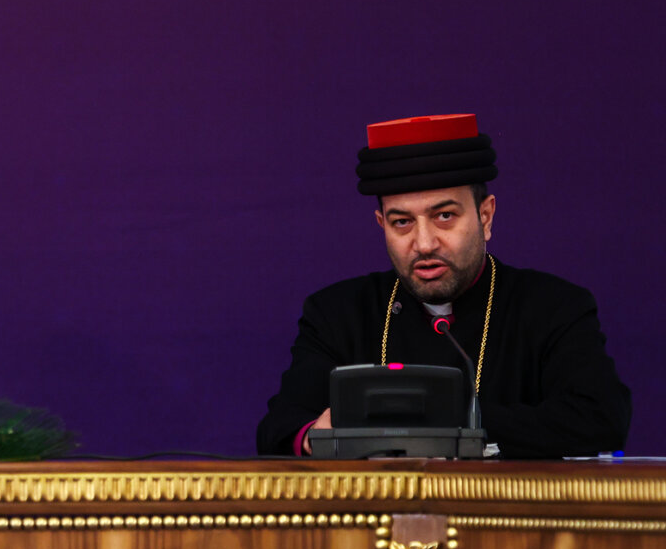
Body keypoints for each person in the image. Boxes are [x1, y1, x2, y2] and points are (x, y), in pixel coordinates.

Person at [256, 114, 630, 458]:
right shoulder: (337, 313)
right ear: (381, 224)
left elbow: (599, 420)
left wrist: (441, 422)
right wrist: (313, 436)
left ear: (485, 216)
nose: (424, 243)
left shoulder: (553, 307)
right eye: (402, 222)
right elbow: (281, 427)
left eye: (444, 216)